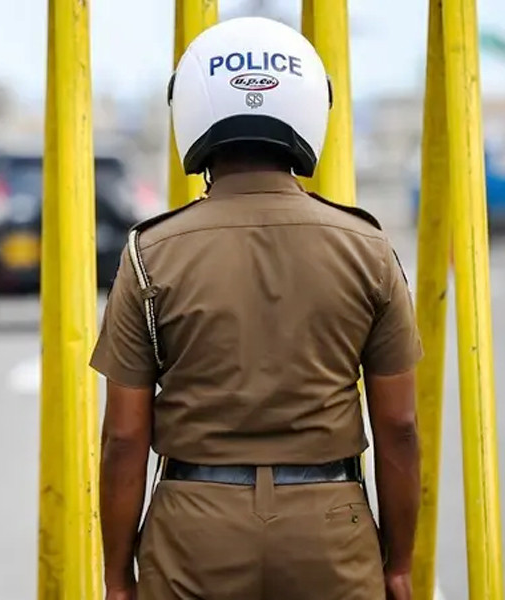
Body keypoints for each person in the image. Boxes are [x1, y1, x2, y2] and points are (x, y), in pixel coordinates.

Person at [92, 16, 422, 600]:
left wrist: (118, 577)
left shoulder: (149, 254)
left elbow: (123, 437)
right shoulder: (367, 249)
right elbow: (398, 427)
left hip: (194, 529)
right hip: (329, 526)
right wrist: (398, 563)